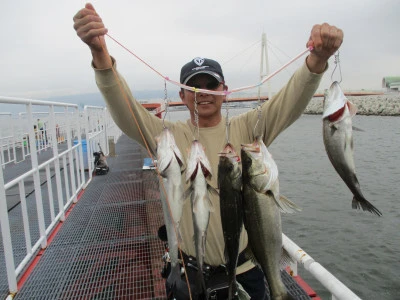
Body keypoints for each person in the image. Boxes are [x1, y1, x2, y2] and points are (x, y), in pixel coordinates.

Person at [73, 3, 343, 299]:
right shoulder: (167, 137)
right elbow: (126, 111)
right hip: (191, 275)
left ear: (224, 89)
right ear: (181, 95)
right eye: (194, 87)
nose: (202, 93)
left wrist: (316, 60)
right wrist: (100, 55)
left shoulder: (248, 129)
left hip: (245, 272)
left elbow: (289, 102)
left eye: (210, 85)